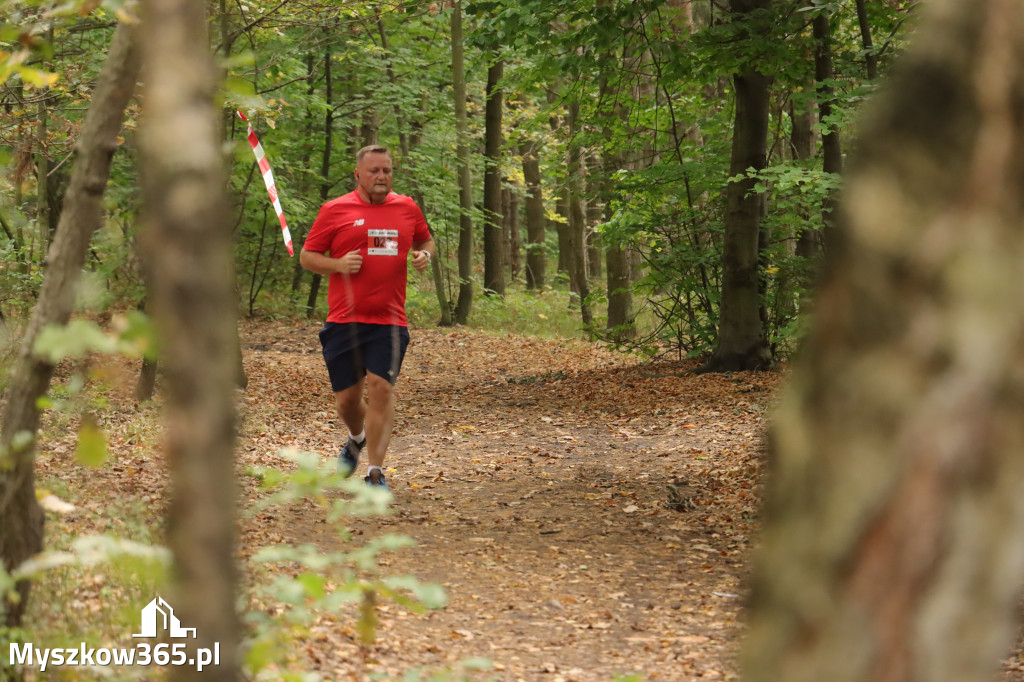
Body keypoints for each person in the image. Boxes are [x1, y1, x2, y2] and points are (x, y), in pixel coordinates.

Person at [300, 145, 434, 490]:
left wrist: (423, 256)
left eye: (386, 170)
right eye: (374, 171)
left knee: (382, 390)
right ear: (357, 174)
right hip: (345, 320)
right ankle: (356, 437)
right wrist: (337, 265)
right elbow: (307, 256)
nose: (381, 177)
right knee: (347, 401)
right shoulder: (335, 210)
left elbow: (426, 241)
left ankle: (375, 473)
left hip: (389, 320)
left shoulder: (407, 207)